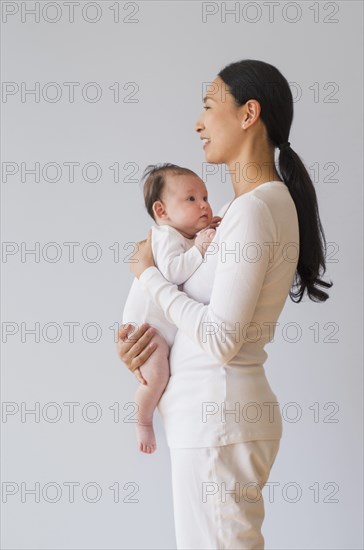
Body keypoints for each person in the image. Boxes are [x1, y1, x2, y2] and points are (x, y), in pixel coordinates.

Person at [117, 59, 333, 549]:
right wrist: (143, 343)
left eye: (209, 106)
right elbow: (198, 321)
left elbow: (220, 339)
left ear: (248, 113)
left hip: (219, 418)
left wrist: (148, 276)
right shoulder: (242, 212)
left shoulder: (254, 210)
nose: (198, 122)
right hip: (212, 420)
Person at [122, 163, 220, 453]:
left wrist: (203, 235)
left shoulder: (183, 236)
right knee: (156, 378)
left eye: (205, 197)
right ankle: (142, 418)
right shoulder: (164, 236)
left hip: (158, 330)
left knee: (161, 374)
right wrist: (200, 247)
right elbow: (175, 272)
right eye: (191, 199)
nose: (203, 204)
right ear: (162, 211)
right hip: (145, 330)